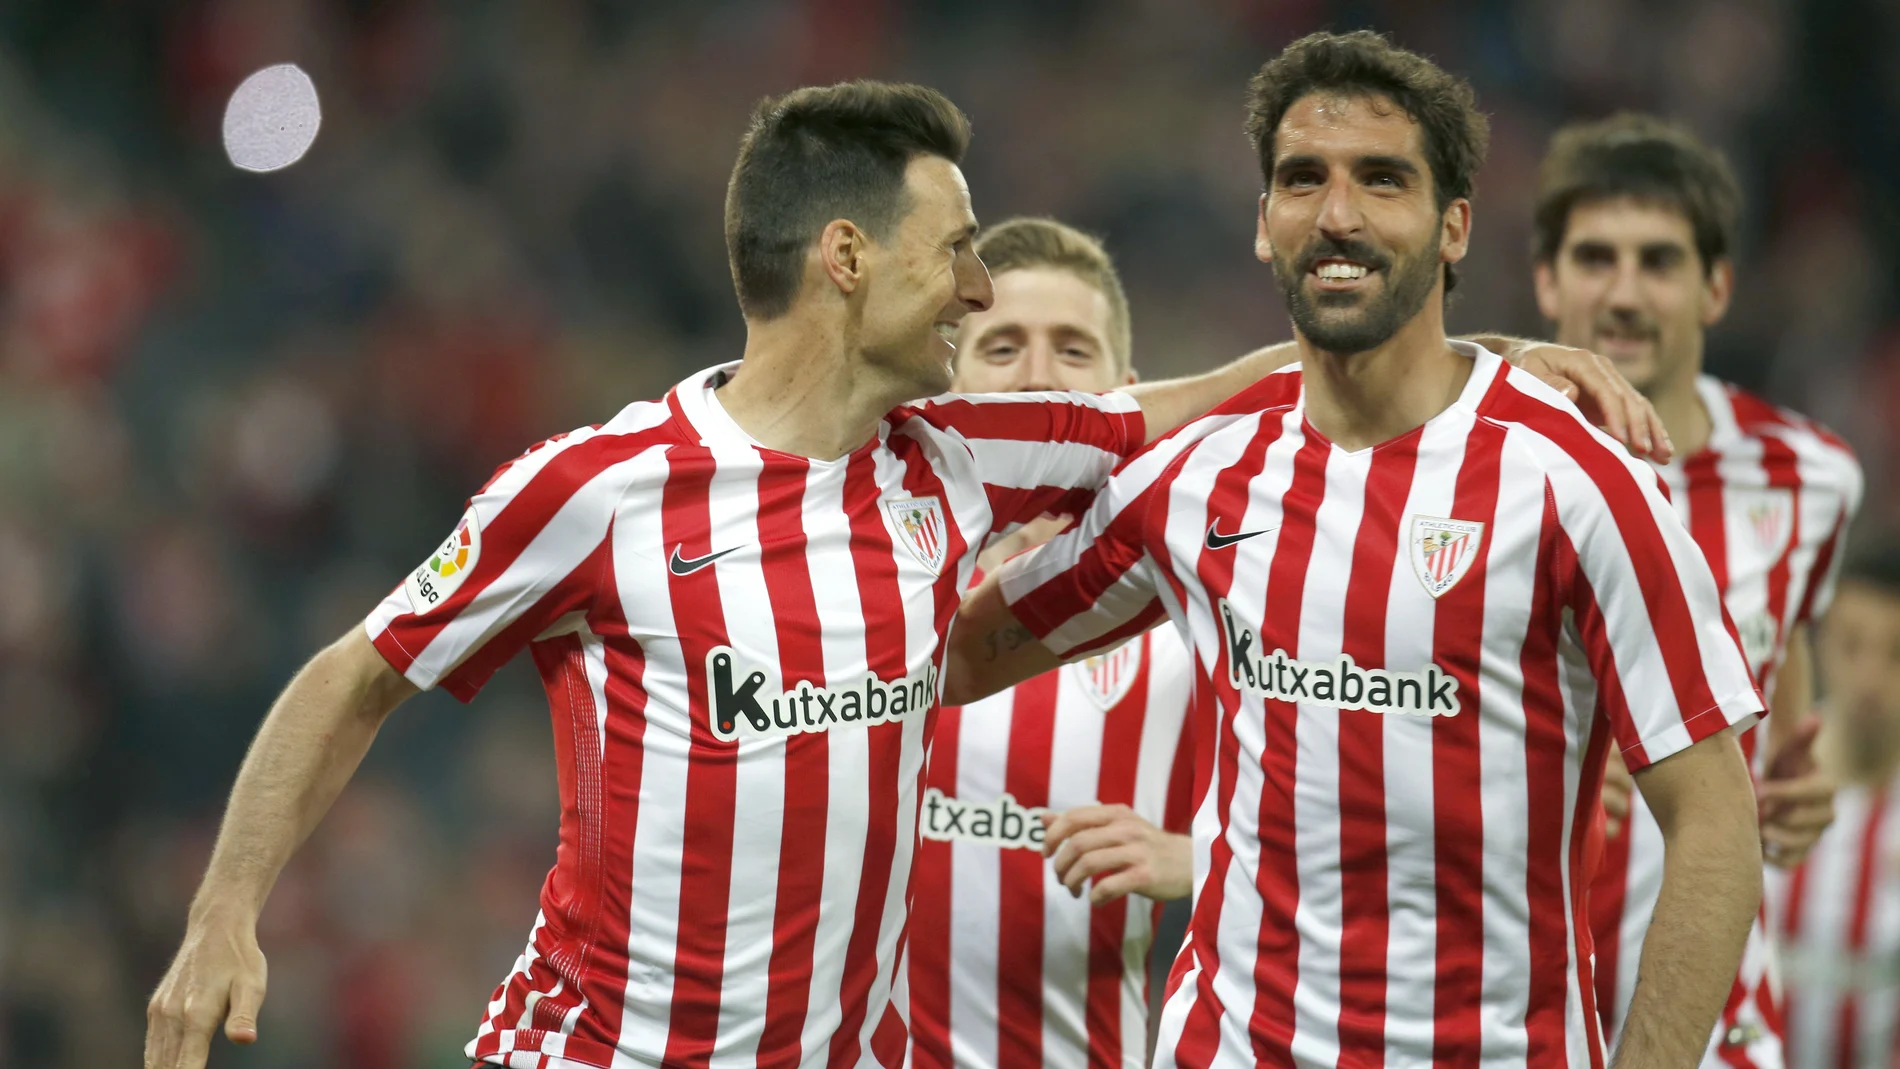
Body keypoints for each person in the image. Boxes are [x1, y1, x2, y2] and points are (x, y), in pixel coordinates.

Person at [141, 80, 1652, 1069]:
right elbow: (356, 672)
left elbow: (1223, 392)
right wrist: (224, 913)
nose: (985, 286)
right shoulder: (599, 490)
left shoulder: (958, 459)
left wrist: (1483, 356)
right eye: (958, 250)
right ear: (850, 258)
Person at [945, 31, 1765, 1069]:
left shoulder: (1572, 480)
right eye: (1303, 180)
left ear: (1454, 225)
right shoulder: (1198, 477)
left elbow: (1715, 825)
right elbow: (963, 652)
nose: (1337, 214)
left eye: (1382, 180)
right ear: (1262, 223)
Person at [1528, 113, 1863, 1068]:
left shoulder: (1812, 478)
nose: (1624, 294)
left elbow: (1777, 658)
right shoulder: (1473, 467)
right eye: (1595, 258)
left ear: (1717, 286)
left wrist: (1791, 790)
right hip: (1508, 1004)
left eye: (1660, 261)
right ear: (1547, 280)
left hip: (1718, 1020)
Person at [908, 217, 1198, 1069]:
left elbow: (1342, 844)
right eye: (1001, 348)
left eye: (1072, 351)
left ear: (1132, 393)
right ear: (945, 381)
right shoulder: (870, 590)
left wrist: (1194, 858)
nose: (1038, 377)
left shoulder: (1190, 612)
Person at [1774, 548, 1900, 1069]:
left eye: (1896, 654)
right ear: (1821, 646)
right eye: (1852, 647)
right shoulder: (1763, 776)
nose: (1870, 679)